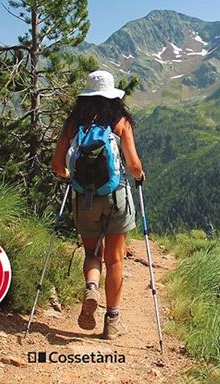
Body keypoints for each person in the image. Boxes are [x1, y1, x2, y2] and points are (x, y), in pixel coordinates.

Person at [51, 69, 145, 340]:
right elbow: (133, 165)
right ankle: (112, 321)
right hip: (116, 195)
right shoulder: (120, 121)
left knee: (92, 253)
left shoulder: (74, 123)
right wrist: (140, 176)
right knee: (115, 260)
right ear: (113, 95)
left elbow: (57, 165)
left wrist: (69, 176)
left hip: (85, 198)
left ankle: (92, 286)